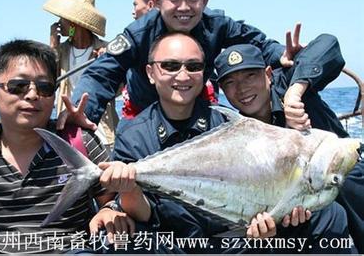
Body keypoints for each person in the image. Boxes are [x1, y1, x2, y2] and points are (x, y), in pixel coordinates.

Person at [103, 32, 350, 253]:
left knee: (331, 213)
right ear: (150, 73)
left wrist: (270, 221)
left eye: (193, 66)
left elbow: (328, 45)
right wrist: (122, 194)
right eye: (170, 65)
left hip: (233, 242)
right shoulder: (132, 133)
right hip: (171, 242)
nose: (182, 75)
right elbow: (143, 210)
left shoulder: (228, 121)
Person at [68, 0, 323, 129]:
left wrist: (283, 55)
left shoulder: (218, 24)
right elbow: (102, 74)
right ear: (156, 0)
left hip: (197, 110)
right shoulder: (137, 34)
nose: (184, 8)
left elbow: (261, 44)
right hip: (144, 113)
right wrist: (83, 113)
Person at [0, 40, 134, 253]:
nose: (32, 95)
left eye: (45, 87)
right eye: (18, 86)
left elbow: (112, 201)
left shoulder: (81, 144)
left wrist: (110, 210)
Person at [214, 35, 362, 252]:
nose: (242, 88)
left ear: (268, 74)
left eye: (250, 76)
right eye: (230, 82)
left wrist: (295, 93)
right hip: (300, 219)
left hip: (348, 192)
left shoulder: (290, 85)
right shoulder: (234, 132)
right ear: (222, 90)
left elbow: (328, 44)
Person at [43, 0, 119, 151]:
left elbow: (118, 90)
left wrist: (106, 64)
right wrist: (53, 47)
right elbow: (49, 84)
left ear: (73, 23)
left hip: (102, 132)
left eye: (62, 19)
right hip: (70, 131)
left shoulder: (105, 49)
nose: (58, 23)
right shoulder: (61, 51)